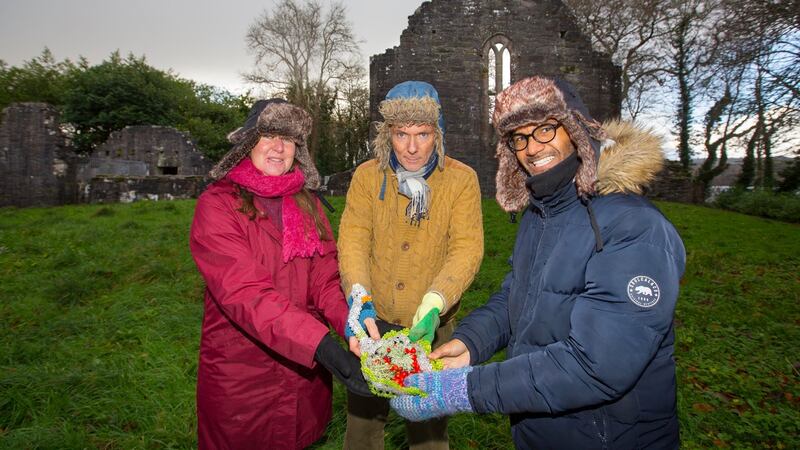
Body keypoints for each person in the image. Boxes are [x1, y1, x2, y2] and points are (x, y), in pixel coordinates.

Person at [390, 76, 686, 449]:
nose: (532, 148)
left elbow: (597, 365)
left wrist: (466, 390)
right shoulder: (541, 214)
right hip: (540, 429)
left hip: (609, 436)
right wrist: (471, 342)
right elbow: (518, 295)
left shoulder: (634, 227)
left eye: (546, 129)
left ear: (575, 129)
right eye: (520, 137)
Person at [189, 99, 376, 449]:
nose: (279, 147)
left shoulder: (309, 204)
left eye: (289, 140)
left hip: (300, 378)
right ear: (248, 143)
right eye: (270, 136)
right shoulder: (217, 205)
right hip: (242, 375)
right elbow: (246, 293)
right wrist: (323, 347)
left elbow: (324, 282)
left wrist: (354, 325)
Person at [337, 81, 484, 449]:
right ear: (389, 134)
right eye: (402, 134)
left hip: (431, 328)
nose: (413, 147)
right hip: (374, 323)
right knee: (363, 427)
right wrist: (359, 295)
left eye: (423, 133)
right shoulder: (368, 176)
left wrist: (437, 299)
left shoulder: (461, 179)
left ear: (439, 132)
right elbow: (354, 239)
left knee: (429, 431)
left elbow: (467, 248)